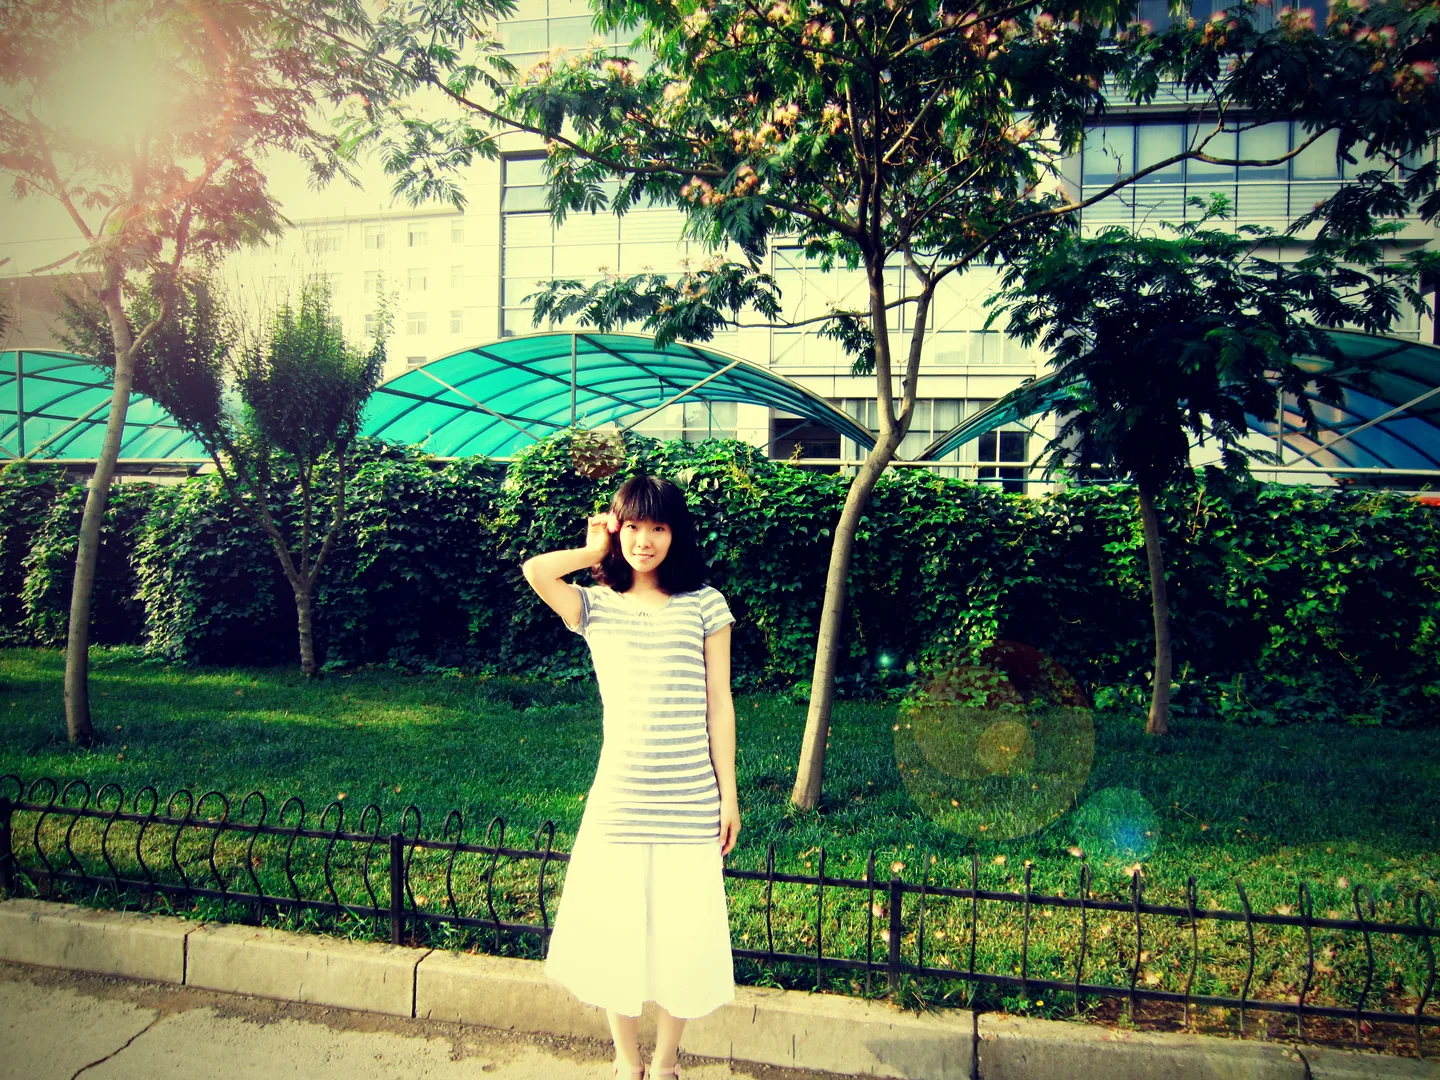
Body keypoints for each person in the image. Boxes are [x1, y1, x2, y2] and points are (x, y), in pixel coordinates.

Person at [521, 473, 740, 1080]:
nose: (645, 541)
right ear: (618, 529)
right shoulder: (595, 604)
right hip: (619, 798)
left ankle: (665, 1064)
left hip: (689, 798)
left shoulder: (705, 604)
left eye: (658, 527)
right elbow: (537, 572)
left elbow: (719, 704)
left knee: (682, 937)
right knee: (617, 934)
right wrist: (592, 551)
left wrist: (729, 796)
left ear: (676, 533)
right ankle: (626, 1060)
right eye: (634, 526)